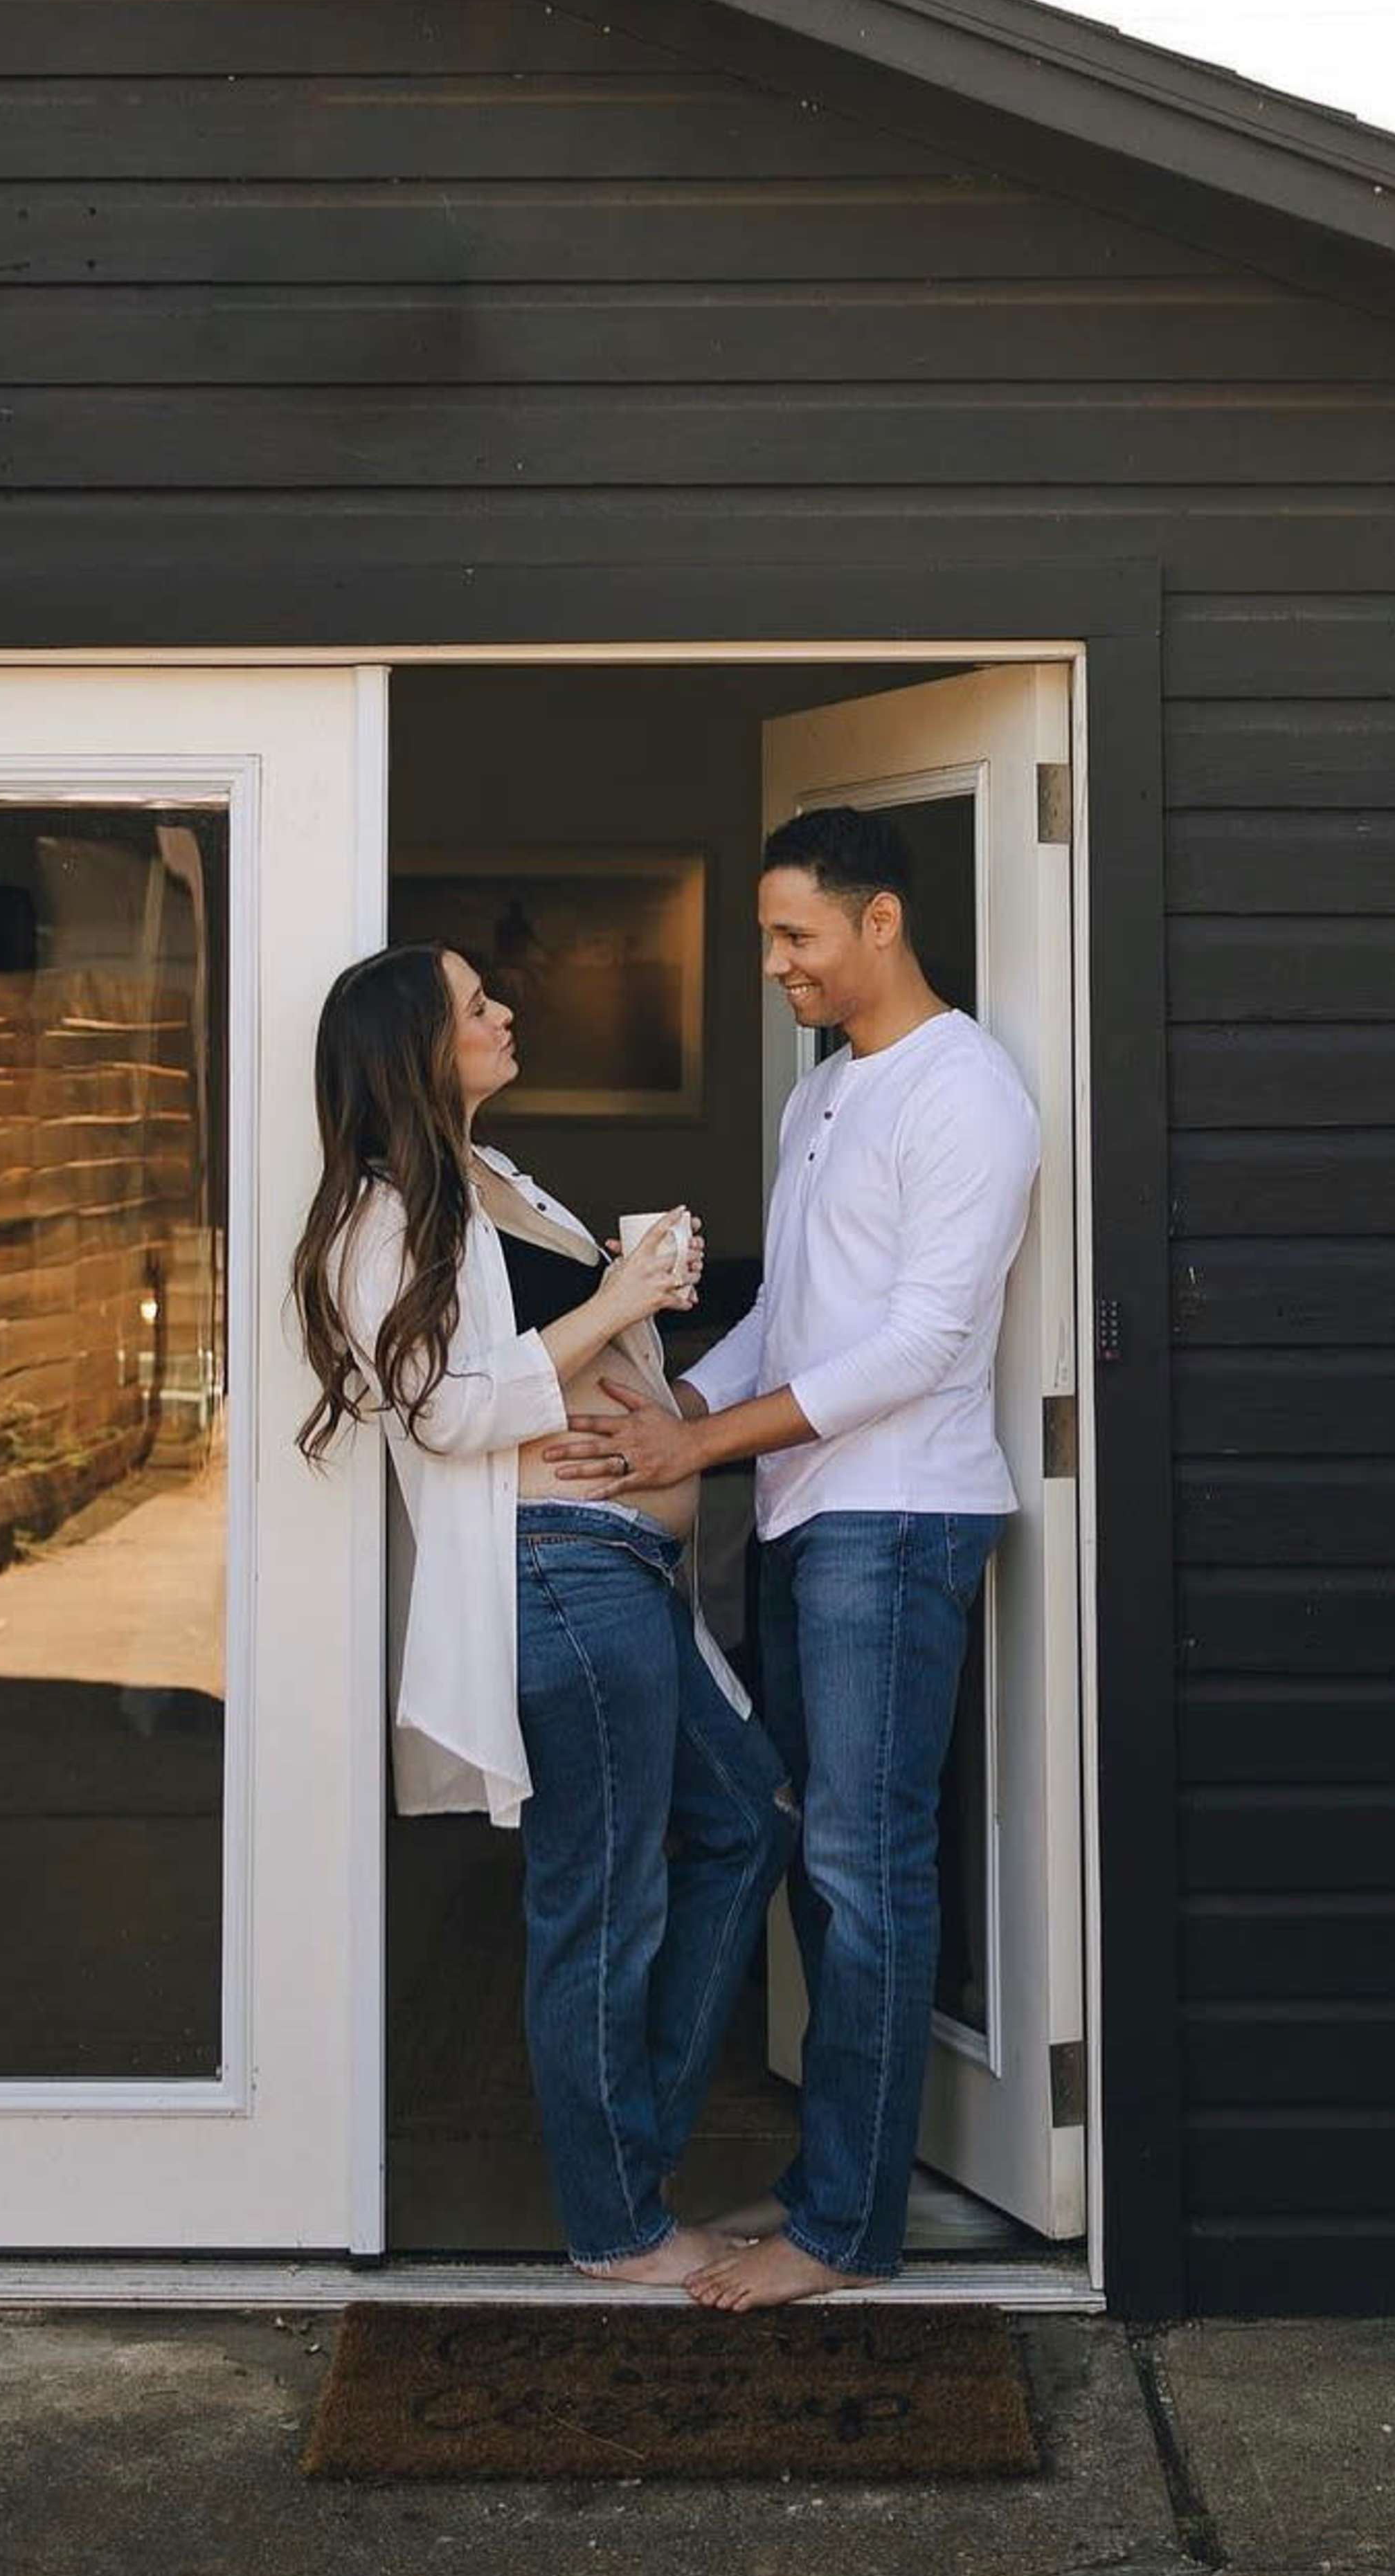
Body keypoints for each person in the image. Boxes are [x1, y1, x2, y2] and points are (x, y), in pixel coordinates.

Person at [542, 808, 1040, 2307]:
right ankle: (839, 2181)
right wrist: (681, 1399)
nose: (774, 965)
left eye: (793, 936)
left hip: (897, 1521)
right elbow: (800, 1316)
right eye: (770, 937)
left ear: (880, 922)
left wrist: (700, 1449)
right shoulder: (823, 1094)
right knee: (823, 1868)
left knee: (863, 1870)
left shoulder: (969, 1095)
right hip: (808, 1515)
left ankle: (841, 2232)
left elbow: (919, 1346)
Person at [289, 942, 793, 2285]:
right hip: (557, 1579)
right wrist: (619, 1301)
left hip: (618, 1571)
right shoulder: (385, 1212)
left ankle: (633, 2160)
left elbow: (554, 1360)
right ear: (416, 1048)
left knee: (741, 1825)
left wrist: (641, 1305)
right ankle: (619, 2222)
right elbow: (448, 1406)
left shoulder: (494, 1180)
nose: (507, 1012)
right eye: (475, 1005)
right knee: (602, 1905)